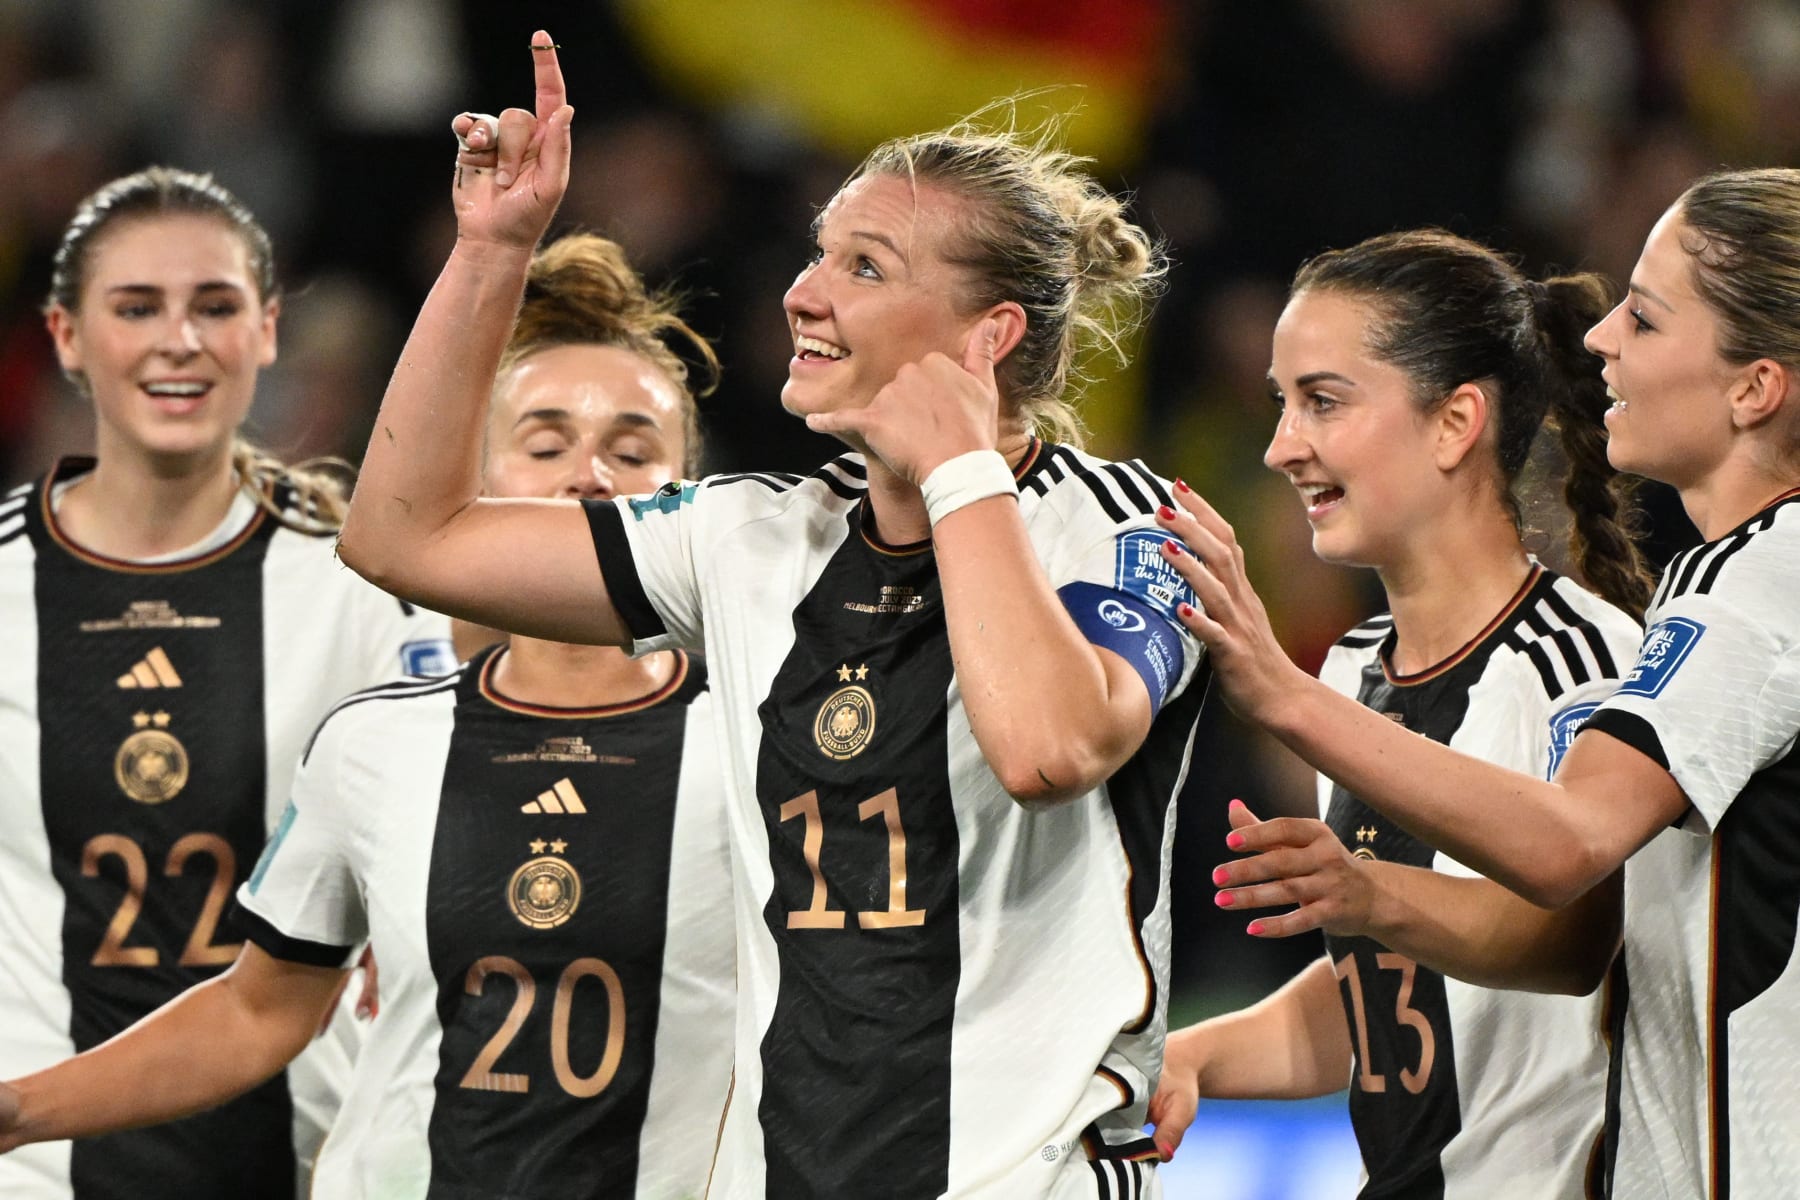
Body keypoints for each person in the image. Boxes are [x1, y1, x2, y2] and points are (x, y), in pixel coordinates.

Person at [335, 34, 1207, 1200]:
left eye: (865, 267)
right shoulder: (749, 537)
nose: (804, 292)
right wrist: (493, 253)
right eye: (818, 254)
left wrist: (958, 468)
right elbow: (402, 537)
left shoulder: (1133, 528)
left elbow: (1047, 750)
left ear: (988, 335)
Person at [0, 231, 736, 1199]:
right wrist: (17, 1110)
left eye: (632, 450)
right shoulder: (375, 743)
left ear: (692, 495)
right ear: (476, 481)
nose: (590, 475)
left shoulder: (759, 746)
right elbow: (258, 1010)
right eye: (545, 443)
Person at [1156, 170, 1800, 1198]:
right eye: (1282, 403)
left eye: (1324, 401)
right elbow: (1403, 1000)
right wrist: (1193, 1052)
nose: (1282, 446)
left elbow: (1570, 905)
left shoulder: (1604, 655)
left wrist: (1280, 696)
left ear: (1456, 422)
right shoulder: (1359, 666)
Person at [0, 166, 455, 1199]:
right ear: (65, 337)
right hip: (31, 1169)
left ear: (267, 329)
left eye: (214, 306)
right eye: (136, 308)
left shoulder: (366, 591)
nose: (180, 340)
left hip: (296, 1161)